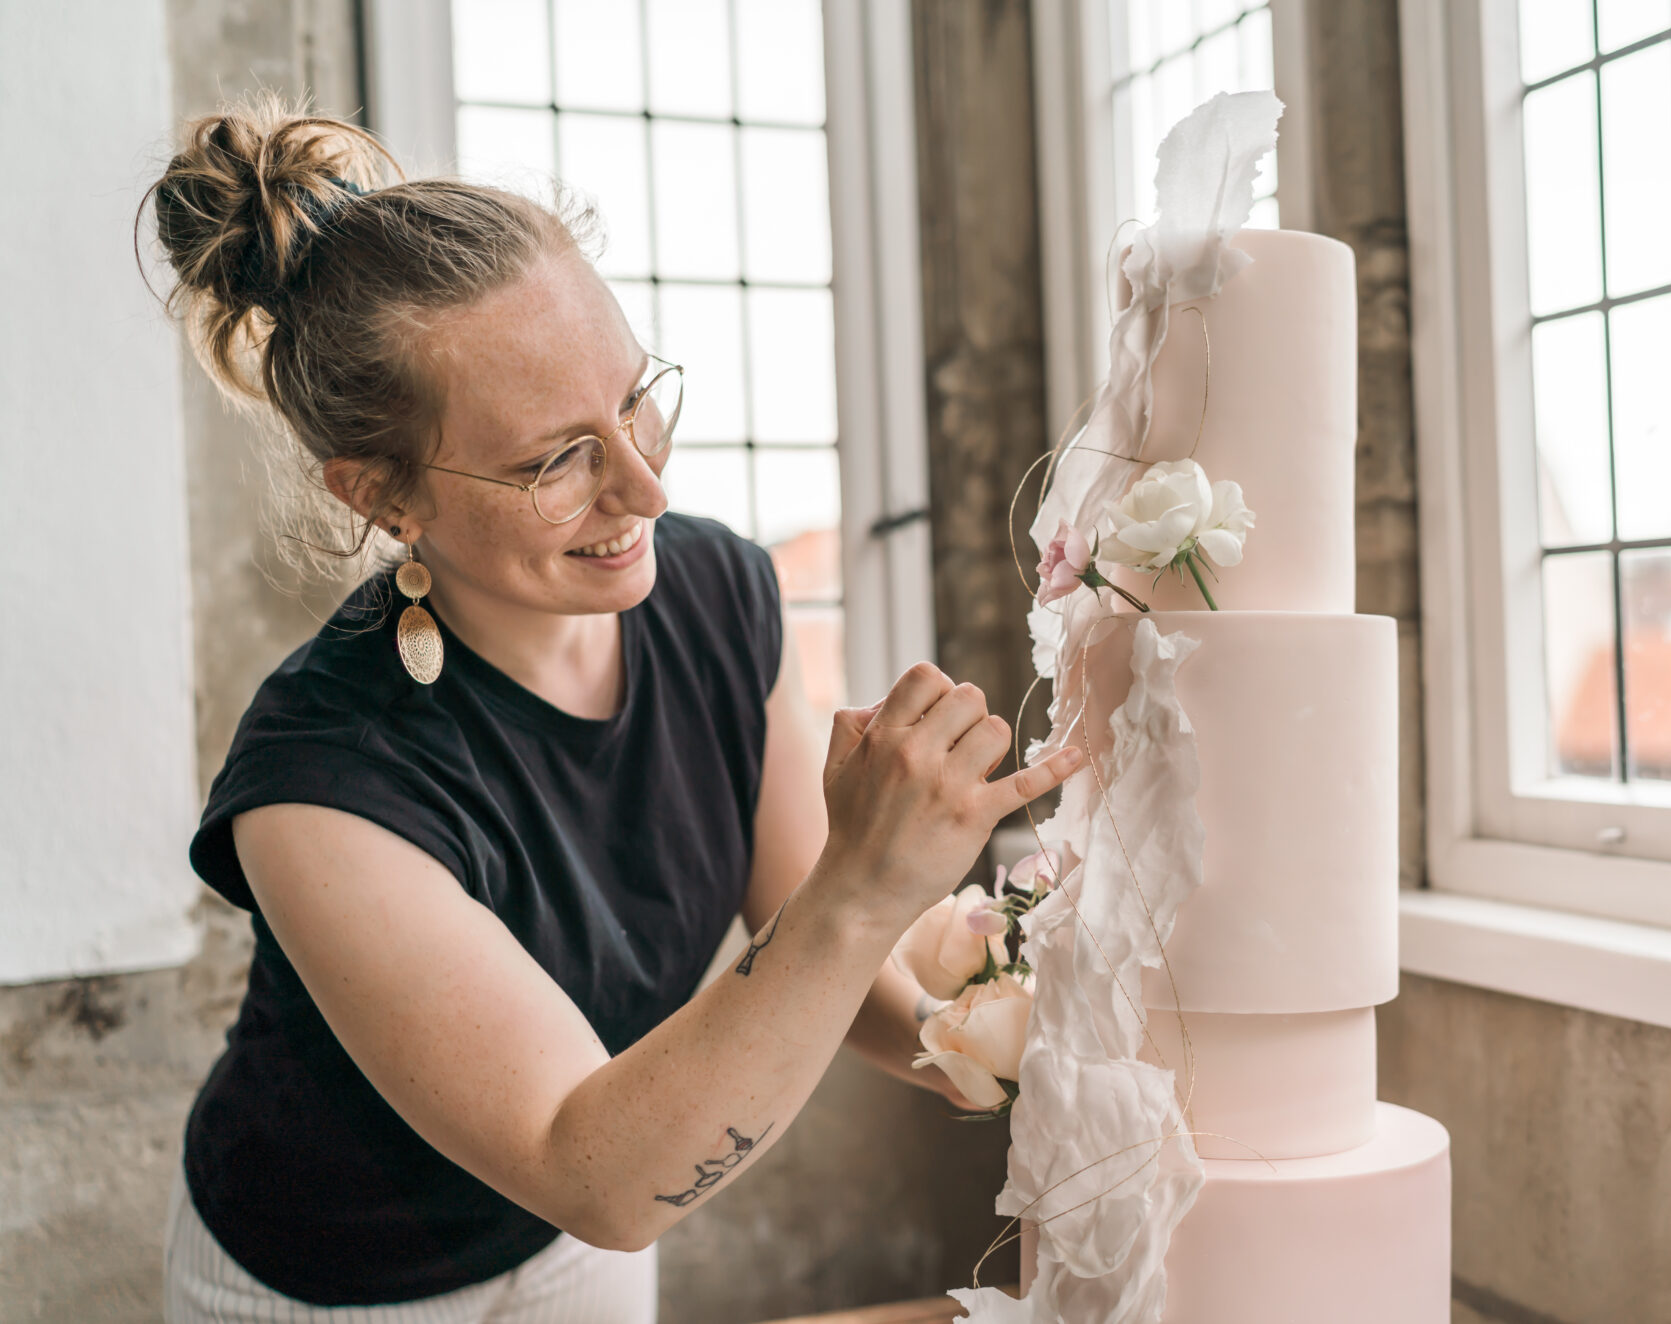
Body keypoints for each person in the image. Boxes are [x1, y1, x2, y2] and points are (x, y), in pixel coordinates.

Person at [144, 96, 1083, 1322]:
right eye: (555, 460)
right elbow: (595, 1165)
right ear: (381, 492)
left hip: (577, 1248)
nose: (645, 482)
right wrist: (866, 881)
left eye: (635, 400)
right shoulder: (317, 783)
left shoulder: (715, 591)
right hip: (329, 1286)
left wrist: (992, 1069)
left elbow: (817, 944)